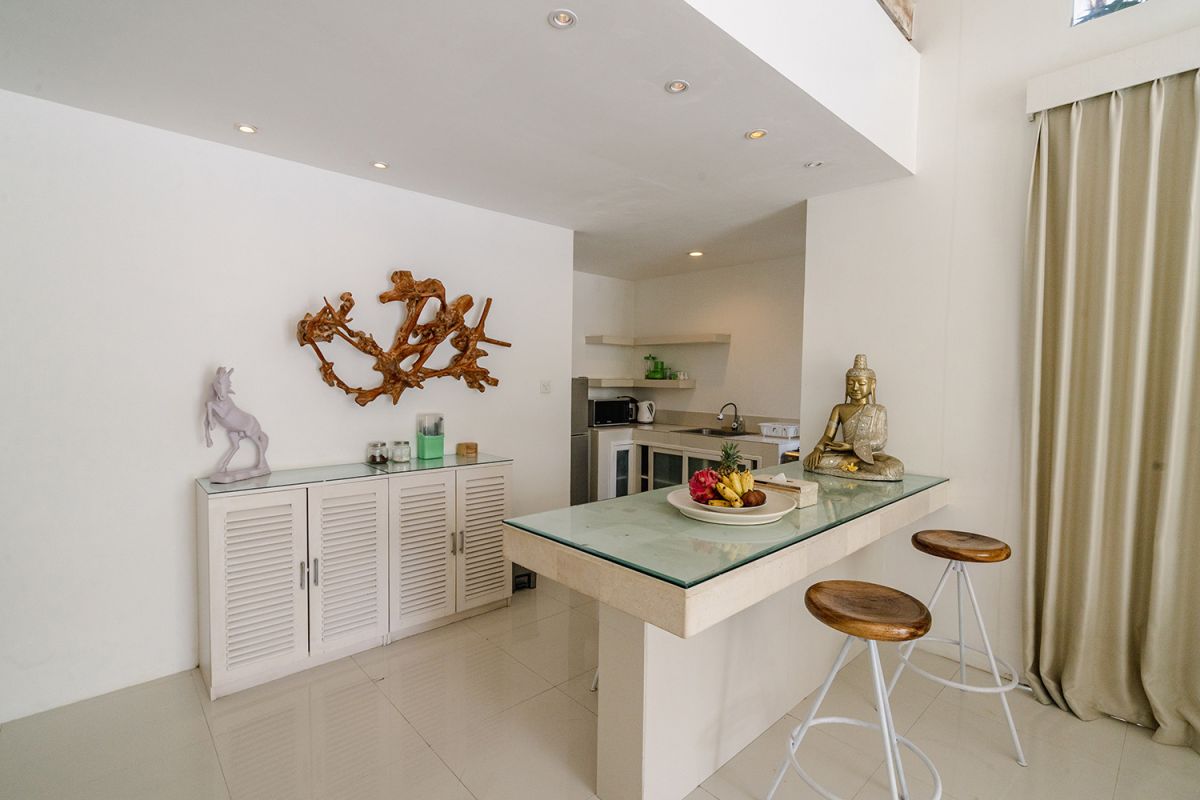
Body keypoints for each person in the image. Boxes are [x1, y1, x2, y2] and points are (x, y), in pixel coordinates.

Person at [802, 354, 904, 482]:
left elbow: (880, 441)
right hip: (847, 456)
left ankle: (855, 466)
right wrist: (818, 449)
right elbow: (828, 436)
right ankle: (857, 466)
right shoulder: (839, 408)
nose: (855, 388)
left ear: (872, 385)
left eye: (861, 383)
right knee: (809, 461)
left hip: (872, 456)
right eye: (850, 383)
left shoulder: (879, 410)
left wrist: (851, 446)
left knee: (893, 469)